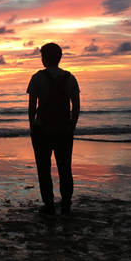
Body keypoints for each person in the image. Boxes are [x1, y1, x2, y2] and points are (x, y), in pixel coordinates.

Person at [27, 42, 80, 215]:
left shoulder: (37, 78)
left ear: (44, 58)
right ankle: (66, 200)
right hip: (64, 130)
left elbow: (32, 106)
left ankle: (48, 202)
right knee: (65, 166)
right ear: (60, 57)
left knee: (43, 167)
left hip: (42, 129)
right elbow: (76, 107)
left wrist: (32, 126)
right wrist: (72, 125)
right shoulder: (70, 78)